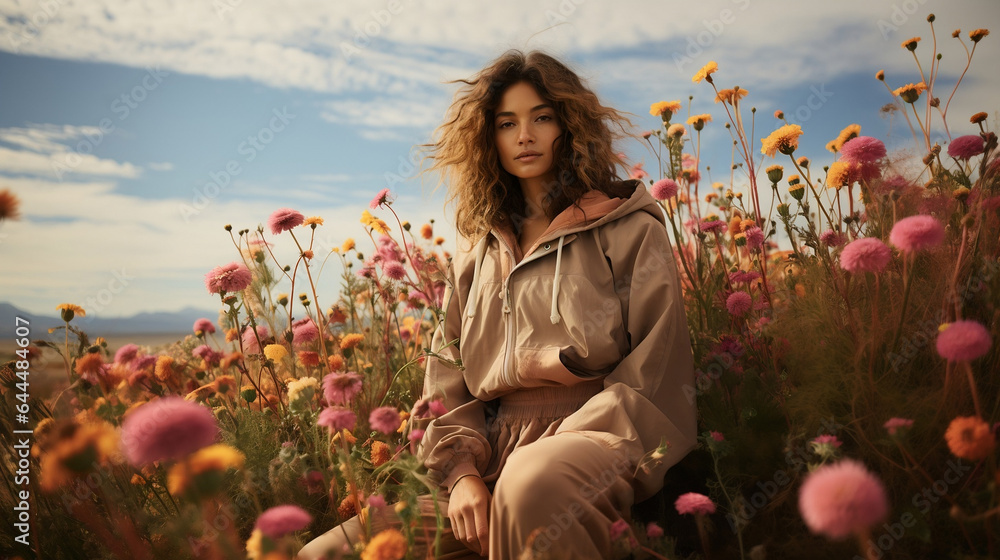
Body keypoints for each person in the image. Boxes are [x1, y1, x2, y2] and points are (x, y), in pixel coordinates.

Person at [298, 49, 696, 560]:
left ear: (570, 126)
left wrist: (544, 457)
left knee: (530, 483)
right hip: (487, 453)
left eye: (542, 118)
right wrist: (462, 474)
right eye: (507, 123)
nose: (524, 135)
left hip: (595, 435)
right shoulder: (478, 248)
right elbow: (447, 380)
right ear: (491, 137)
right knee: (325, 555)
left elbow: (655, 373)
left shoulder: (628, 229)